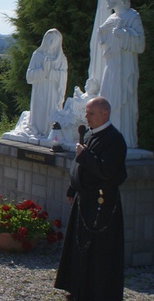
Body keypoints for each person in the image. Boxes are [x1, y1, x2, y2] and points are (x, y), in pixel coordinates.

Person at [55, 97, 127, 300]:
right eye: (86, 113)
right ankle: (78, 288)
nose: (87, 117)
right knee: (80, 245)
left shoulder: (114, 139)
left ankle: (96, 293)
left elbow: (106, 171)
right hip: (83, 198)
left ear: (105, 113)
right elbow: (81, 167)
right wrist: (72, 188)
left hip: (102, 204)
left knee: (99, 250)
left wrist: (84, 156)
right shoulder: (89, 136)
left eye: (91, 113)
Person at [99, 0, 145, 148]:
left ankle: (124, 139)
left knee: (123, 103)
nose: (107, 0)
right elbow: (104, 44)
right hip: (111, 67)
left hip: (125, 68)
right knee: (108, 99)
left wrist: (124, 34)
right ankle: (106, 139)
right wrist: (103, 34)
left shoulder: (132, 16)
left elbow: (140, 45)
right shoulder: (110, 19)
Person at [25, 28, 68, 138]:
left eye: (54, 39)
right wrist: (43, 71)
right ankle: (37, 129)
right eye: (49, 39)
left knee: (51, 112)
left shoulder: (61, 59)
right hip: (40, 89)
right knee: (39, 111)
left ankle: (50, 130)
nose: (51, 42)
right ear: (45, 39)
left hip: (53, 91)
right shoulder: (37, 55)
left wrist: (51, 72)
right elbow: (29, 76)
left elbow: (63, 76)